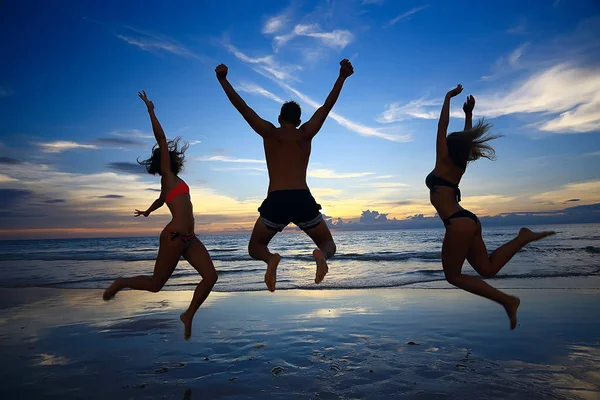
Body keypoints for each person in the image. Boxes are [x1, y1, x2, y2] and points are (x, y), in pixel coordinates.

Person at [215, 59, 355, 292]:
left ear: (280, 118)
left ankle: (271, 260)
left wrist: (223, 80)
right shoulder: (306, 133)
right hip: (302, 197)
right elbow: (326, 107)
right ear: (299, 121)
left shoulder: (270, 132)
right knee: (328, 243)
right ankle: (320, 255)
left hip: (277, 198)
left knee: (255, 247)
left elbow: (244, 109)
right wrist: (341, 77)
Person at [426, 84, 555, 330]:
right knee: (487, 268)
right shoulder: (458, 165)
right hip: (468, 221)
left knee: (453, 277)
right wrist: (467, 115)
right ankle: (522, 238)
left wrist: (447, 97)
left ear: (448, 147)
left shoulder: (443, 161)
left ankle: (507, 301)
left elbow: (441, 127)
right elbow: (462, 137)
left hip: (457, 223)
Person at [103, 91, 218, 340]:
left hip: (190, 239)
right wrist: (151, 110)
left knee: (211, 277)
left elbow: (161, 199)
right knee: (156, 285)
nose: (171, 155)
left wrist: (148, 210)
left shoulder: (173, 182)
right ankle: (122, 282)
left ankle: (188, 315)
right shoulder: (167, 175)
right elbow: (162, 139)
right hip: (174, 237)